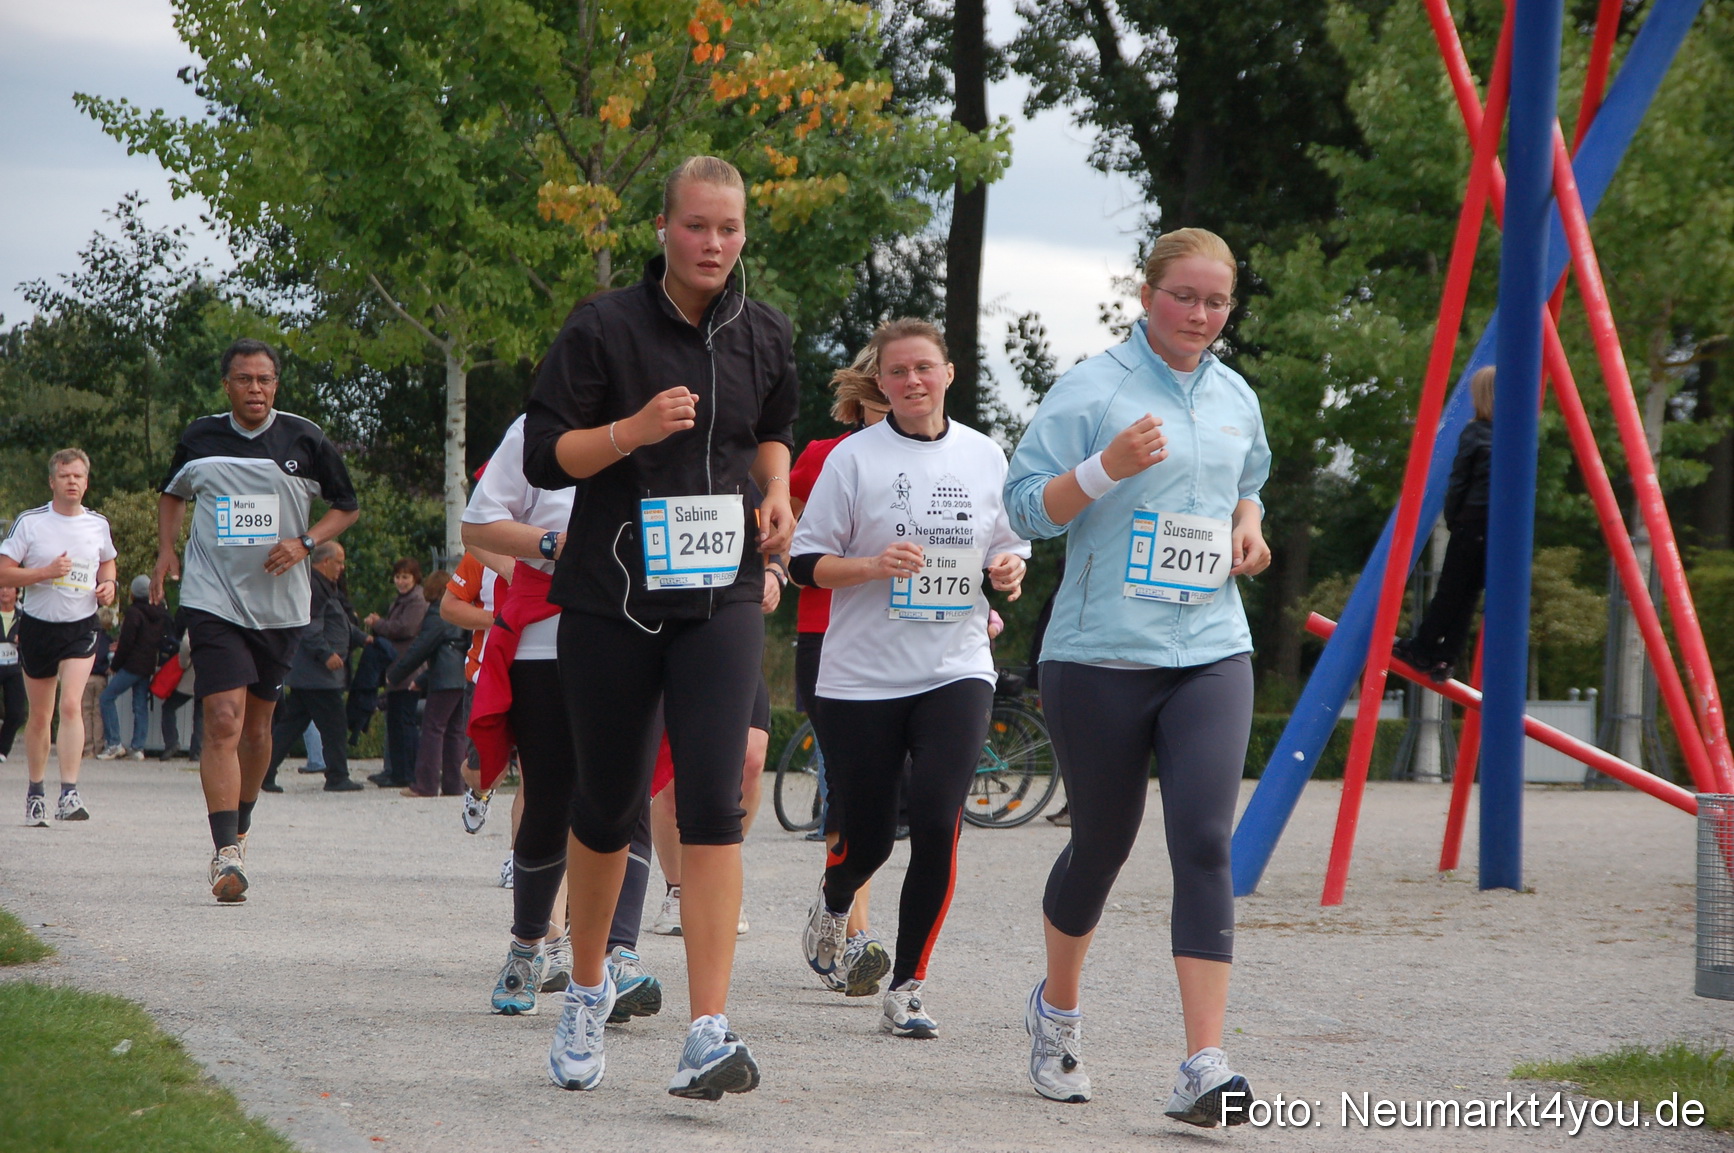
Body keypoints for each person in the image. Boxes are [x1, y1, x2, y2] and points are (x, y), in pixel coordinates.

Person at [520, 153, 796, 1099]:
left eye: (728, 228)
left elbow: (771, 426)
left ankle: (708, 1027)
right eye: (696, 226)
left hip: (721, 590)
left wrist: (778, 489)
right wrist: (632, 430)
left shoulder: (764, 331)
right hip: (613, 596)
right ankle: (587, 988)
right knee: (607, 806)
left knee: (717, 799)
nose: (713, 243)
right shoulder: (602, 328)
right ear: (663, 230)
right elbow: (548, 456)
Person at [1004, 227, 1271, 1126]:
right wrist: (1101, 469)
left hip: (1210, 649)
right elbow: (1024, 508)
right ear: (1146, 293)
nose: (1200, 315)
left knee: (1204, 840)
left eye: (1216, 301)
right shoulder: (1091, 389)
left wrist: (1248, 523)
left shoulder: (1235, 393)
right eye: (1184, 297)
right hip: (1098, 654)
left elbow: (1251, 479)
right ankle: (1058, 1011)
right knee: (1103, 845)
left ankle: (1203, 1062)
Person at [790, 318, 1030, 1037]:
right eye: (898, 372)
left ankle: (909, 984)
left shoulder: (987, 455)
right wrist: (869, 565)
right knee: (869, 839)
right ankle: (836, 902)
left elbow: (1008, 545)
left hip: (956, 665)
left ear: (948, 372)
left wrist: (1009, 570)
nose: (913, 381)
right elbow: (806, 562)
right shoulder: (853, 459)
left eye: (924, 367)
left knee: (936, 821)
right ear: (881, 383)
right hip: (862, 676)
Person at [462, 415, 663, 1023]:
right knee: (551, 796)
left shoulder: (675, 409)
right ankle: (529, 945)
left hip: (641, 628)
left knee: (630, 797)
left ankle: (616, 958)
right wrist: (553, 545)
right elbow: (479, 523)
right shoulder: (540, 426)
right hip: (545, 635)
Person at [155, 337, 360, 902]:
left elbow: (347, 505)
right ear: (227, 385)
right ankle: (224, 854)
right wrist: (166, 549)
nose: (255, 389)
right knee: (223, 717)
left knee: (258, 729)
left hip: (281, 606)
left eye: (264, 380)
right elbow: (171, 494)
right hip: (213, 598)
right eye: (244, 379)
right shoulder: (200, 437)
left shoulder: (304, 438)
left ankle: (240, 832)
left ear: (276, 384)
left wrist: (304, 542)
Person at [0, 448, 118, 824]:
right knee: (40, 715)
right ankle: (36, 792)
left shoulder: (97, 524)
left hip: (81, 626)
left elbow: (107, 561)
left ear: (86, 482)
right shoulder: (31, 523)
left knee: (71, 705)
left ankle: (69, 792)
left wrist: (109, 584)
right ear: (52, 481)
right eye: (65, 476)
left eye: (78, 476)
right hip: (38, 626)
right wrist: (45, 572)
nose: (72, 482)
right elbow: (4, 574)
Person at [1395, 366, 1495, 683]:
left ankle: (1423, 648)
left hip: (1471, 521)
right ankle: (1447, 657)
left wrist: (1453, 518)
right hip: (1497, 530)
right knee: (1468, 597)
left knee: (1450, 591)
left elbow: (1459, 482)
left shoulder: (1476, 432)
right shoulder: (1515, 435)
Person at [263, 541, 365, 792]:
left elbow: (334, 622)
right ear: (325, 561)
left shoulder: (323, 586)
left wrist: (364, 638)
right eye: (339, 562)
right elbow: (309, 627)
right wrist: (326, 653)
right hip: (318, 674)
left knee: (290, 726)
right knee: (334, 725)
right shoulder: (315, 587)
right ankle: (337, 776)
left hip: (308, 674)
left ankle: (263, 774)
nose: (342, 567)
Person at [387, 570, 469, 798]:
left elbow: (423, 647)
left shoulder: (438, 611)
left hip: (444, 678)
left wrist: (396, 674)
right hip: (462, 675)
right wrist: (421, 680)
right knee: (455, 732)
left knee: (432, 729)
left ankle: (426, 784)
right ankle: (454, 785)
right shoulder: (461, 608)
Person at [365, 558, 428, 788]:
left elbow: (405, 628)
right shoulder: (402, 599)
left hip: (409, 669)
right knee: (395, 722)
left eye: (405, 577)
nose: (401, 582)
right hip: (397, 668)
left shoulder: (417, 601)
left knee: (404, 723)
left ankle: (405, 773)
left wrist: (379, 624)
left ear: (415, 578)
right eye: (398, 577)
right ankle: (394, 771)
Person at [97, 576, 170, 759]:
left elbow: (127, 643)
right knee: (139, 705)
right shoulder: (160, 612)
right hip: (148, 665)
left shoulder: (134, 613)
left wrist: (115, 666)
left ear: (135, 593)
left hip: (132, 665)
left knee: (106, 698)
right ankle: (137, 748)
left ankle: (114, 743)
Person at [159, 626, 202, 760]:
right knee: (200, 715)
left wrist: (183, 663)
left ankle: (172, 743)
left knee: (169, 707)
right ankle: (197, 751)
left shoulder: (195, 622)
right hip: (208, 676)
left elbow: (186, 645)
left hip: (191, 675)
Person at [0, 586, 26, 763]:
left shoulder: (25, 615)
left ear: (17, 592)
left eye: (9, 588)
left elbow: (36, 639)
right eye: (1, 587)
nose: (4, 591)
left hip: (15, 667)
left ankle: (2, 749)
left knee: (17, 712)